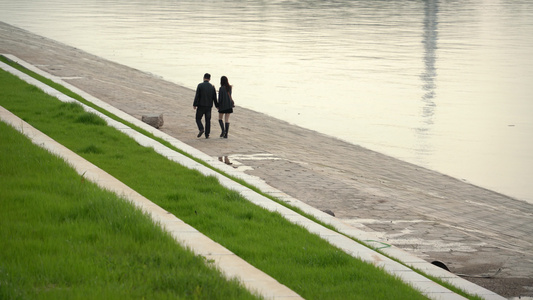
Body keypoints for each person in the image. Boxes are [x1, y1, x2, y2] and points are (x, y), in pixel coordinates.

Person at [193, 73, 218, 138]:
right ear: (209, 79)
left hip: (201, 105)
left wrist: (195, 104)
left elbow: (197, 96)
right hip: (209, 106)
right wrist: (217, 105)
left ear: (203, 78)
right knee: (208, 120)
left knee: (198, 118)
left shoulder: (200, 85)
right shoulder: (212, 87)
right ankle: (207, 134)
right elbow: (214, 97)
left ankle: (201, 129)